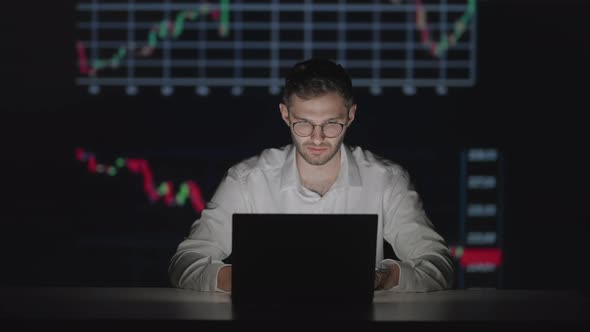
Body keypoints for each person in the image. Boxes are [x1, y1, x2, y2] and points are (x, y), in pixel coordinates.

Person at [169, 58, 454, 292]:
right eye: (303, 124)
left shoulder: (386, 179)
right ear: (285, 115)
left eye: (332, 124)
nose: (317, 139)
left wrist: (384, 278)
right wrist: (246, 279)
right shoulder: (247, 180)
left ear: (351, 116)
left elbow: (438, 266)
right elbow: (184, 263)